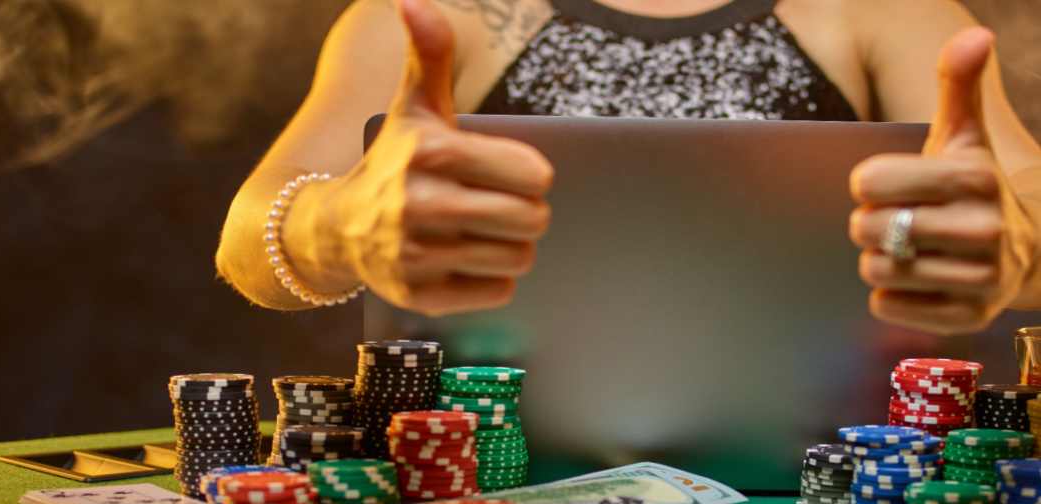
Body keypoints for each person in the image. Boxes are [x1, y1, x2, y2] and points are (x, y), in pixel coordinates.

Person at [216, 0, 1041, 336]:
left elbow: (1027, 208)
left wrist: (1014, 247)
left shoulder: (886, 9)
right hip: (474, 490)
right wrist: (338, 226)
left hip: (823, 498)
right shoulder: (438, 11)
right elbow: (245, 242)